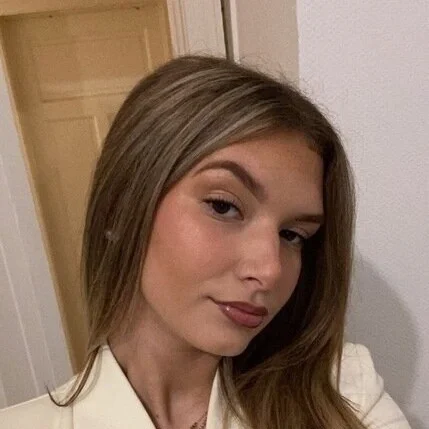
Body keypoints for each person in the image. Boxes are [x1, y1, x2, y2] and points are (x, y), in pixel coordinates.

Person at [0, 55, 411, 429]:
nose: (270, 270)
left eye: (292, 235)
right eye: (223, 206)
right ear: (121, 209)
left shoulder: (346, 396)